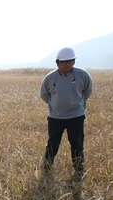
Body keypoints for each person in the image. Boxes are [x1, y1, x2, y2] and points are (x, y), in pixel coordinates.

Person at [40, 47, 93, 178]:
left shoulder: (83, 75)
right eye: (64, 62)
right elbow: (44, 95)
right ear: (57, 63)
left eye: (70, 61)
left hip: (76, 117)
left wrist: (77, 104)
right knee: (53, 142)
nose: (67, 64)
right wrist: (56, 107)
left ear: (74, 62)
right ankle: (47, 165)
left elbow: (88, 91)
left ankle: (78, 167)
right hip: (56, 118)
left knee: (77, 142)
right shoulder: (49, 78)